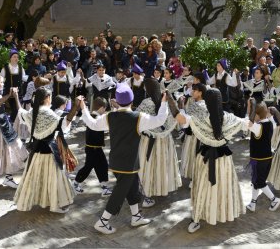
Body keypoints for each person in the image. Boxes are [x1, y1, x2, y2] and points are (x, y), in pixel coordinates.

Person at [79, 82, 169, 234]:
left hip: (117, 161)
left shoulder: (110, 116)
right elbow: (160, 120)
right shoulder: (139, 117)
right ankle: (103, 221)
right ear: (132, 101)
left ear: (117, 101)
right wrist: (165, 102)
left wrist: (83, 107)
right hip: (128, 163)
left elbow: (92, 124)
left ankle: (136, 216)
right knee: (120, 193)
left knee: (133, 188)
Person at [175, 89, 248, 233]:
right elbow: (247, 124)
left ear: (206, 102)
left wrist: (174, 103)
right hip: (224, 159)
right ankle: (223, 212)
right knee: (224, 186)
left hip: (205, 158)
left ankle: (196, 219)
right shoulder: (229, 117)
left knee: (202, 186)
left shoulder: (201, 117)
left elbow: (182, 120)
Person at [14, 87, 79, 213]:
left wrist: (16, 96)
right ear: (46, 98)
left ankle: (29, 201)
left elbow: (20, 112)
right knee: (53, 178)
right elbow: (65, 123)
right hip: (49, 151)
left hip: (36, 151)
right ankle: (55, 205)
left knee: (34, 177)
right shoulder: (49, 113)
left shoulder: (32, 111)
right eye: (50, 96)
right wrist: (76, 106)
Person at [137, 78, 182, 207]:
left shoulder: (146, 103)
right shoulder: (165, 102)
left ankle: (147, 194)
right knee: (162, 164)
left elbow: (137, 119)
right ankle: (161, 187)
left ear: (148, 88)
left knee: (148, 166)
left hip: (148, 140)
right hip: (164, 140)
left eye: (145, 86)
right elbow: (173, 119)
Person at [246, 100, 280, 212]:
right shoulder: (271, 123)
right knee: (255, 180)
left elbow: (248, 123)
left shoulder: (257, 127)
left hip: (257, 159)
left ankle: (274, 199)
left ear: (256, 114)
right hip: (267, 158)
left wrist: (251, 108)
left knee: (259, 181)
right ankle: (253, 202)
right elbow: (267, 117)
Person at [72, 97, 112, 196]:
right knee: (89, 167)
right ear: (102, 108)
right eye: (105, 109)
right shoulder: (98, 118)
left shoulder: (90, 116)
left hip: (94, 148)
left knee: (102, 166)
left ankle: (104, 187)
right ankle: (75, 183)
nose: (104, 111)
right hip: (93, 148)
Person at [179, 83, 207, 186]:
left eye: (194, 91)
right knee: (194, 156)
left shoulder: (198, 105)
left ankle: (195, 178)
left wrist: (181, 106)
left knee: (193, 155)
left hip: (195, 136)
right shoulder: (203, 104)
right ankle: (195, 177)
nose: (192, 92)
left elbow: (185, 121)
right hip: (198, 136)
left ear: (200, 93)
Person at [0, 49, 28, 122]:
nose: (16, 58)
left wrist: (32, 78)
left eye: (17, 57)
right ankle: (12, 125)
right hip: (9, 94)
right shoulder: (5, 68)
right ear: (10, 58)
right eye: (14, 57)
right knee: (14, 111)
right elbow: (1, 79)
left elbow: (24, 78)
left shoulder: (21, 68)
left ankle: (15, 126)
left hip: (19, 94)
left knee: (18, 110)